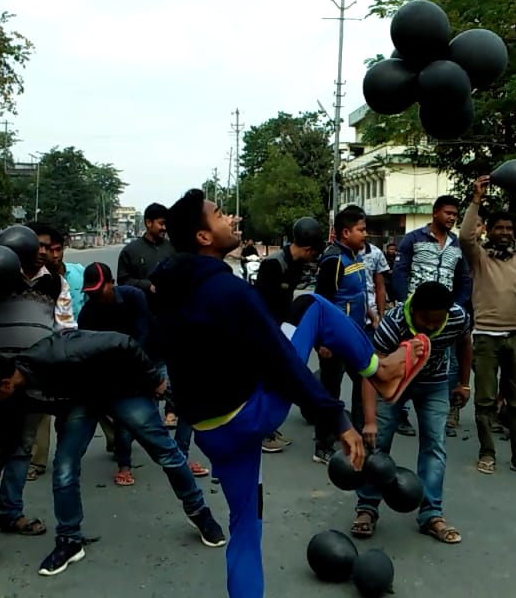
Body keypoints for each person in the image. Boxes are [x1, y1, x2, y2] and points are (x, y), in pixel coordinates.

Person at [147, 188, 418, 598]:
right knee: (310, 305)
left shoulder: (168, 292)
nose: (231, 220)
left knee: (245, 528)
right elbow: (283, 363)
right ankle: (381, 371)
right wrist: (336, 418)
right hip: (250, 413)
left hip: (211, 431)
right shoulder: (229, 291)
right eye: (220, 215)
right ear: (203, 237)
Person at [0, 330, 227, 579]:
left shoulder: (59, 353)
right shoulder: (8, 397)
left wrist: (154, 378)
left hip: (120, 389)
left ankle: (199, 513)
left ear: (4, 384)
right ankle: (69, 540)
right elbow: (7, 436)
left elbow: (121, 342)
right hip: (80, 403)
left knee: (165, 452)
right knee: (63, 469)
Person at [352, 281, 471, 545]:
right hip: (392, 383)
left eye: (436, 321)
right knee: (378, 443)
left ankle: (431, 514)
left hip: (435, 385)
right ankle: (367, 508)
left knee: (434, 446)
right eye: (425, 320)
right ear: (413, 309)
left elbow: (465, 342)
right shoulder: (393, 324)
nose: (430, 326)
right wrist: (370, 421)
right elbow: (371, 373)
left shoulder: (457, 317)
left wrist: (463, 382)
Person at [0, 232, 61, 536]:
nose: (42, 252)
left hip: (33, 378)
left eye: (47, 247)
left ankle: (10, 513)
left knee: (21, 448)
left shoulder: (52, 282)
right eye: (37, 246)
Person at [79, 261, 210, 484]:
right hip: (120, 368)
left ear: (111, 283)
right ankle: (124, 466)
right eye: (91, 291)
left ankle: (182, 456)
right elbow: (89, 349)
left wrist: (151, 378)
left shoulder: (133, 297)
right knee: (125, 416)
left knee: (185, 403)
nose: (96, 295)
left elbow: (142, 334)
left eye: (100, 289)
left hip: (153, 356)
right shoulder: (88, 312)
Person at [460, 176, 516, 478]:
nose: (504, 233)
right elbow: (465, 238)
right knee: (485, 401)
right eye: (499, 228)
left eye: (509, 229)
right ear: (490, 231)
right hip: (485, 338)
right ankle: (487, 454)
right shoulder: (480, 258)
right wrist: (476, 200)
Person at [392, 195, 472, 437]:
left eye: (454, 215)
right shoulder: (413, 239)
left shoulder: (456, 245)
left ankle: (442, 415)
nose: (451, 218)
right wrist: (405, 304)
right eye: (447, 213)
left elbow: (464, 280)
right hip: (415, 316)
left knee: (447, 364)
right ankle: (400, 413)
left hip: (443, 318)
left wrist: (454, 308)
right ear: (435, 213)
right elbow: (400, 272)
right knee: (406, 361)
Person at [253, 216, 325, 453]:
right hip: (264, 333)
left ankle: (269, 428)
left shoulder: (295, 265)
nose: (313, 259)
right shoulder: (273, 265)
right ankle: (263, 434)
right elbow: (259, 306)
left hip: (279, 331)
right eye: (313, 254)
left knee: (274, 382)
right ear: (307, 249)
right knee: (265, 385)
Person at [312, 205, 372, 464]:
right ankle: (323, 446)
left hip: (356, 337)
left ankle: (357, 436)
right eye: (361, 230)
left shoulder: (354, 256)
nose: (365, 234)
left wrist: (371, 313)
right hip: (335, 341)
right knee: (330, 393)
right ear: (345, 232)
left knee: (363, 386)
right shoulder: (334, 259)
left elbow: (355, 294)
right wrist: (322, 341)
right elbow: (321, 301)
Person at [26, 224, 85, 483]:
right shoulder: (15, 276)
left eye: (54, 248)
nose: (50, 253)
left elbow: (68, 320)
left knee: (86, 400)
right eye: (43, 248)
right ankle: (36, 460)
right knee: (38, 410)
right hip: (35, 352)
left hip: (68, 346)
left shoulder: (72, 276)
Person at [117, 202, 182, 429]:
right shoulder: (131, 251)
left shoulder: (172, 249)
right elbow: (123, 282)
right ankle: (146, 415)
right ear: (148, 223)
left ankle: (172, 411)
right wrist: (148, 286)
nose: (165, 228)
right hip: (141, 321)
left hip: (170, 318)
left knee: (172, 365)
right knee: (146, 367)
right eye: (162, 223)